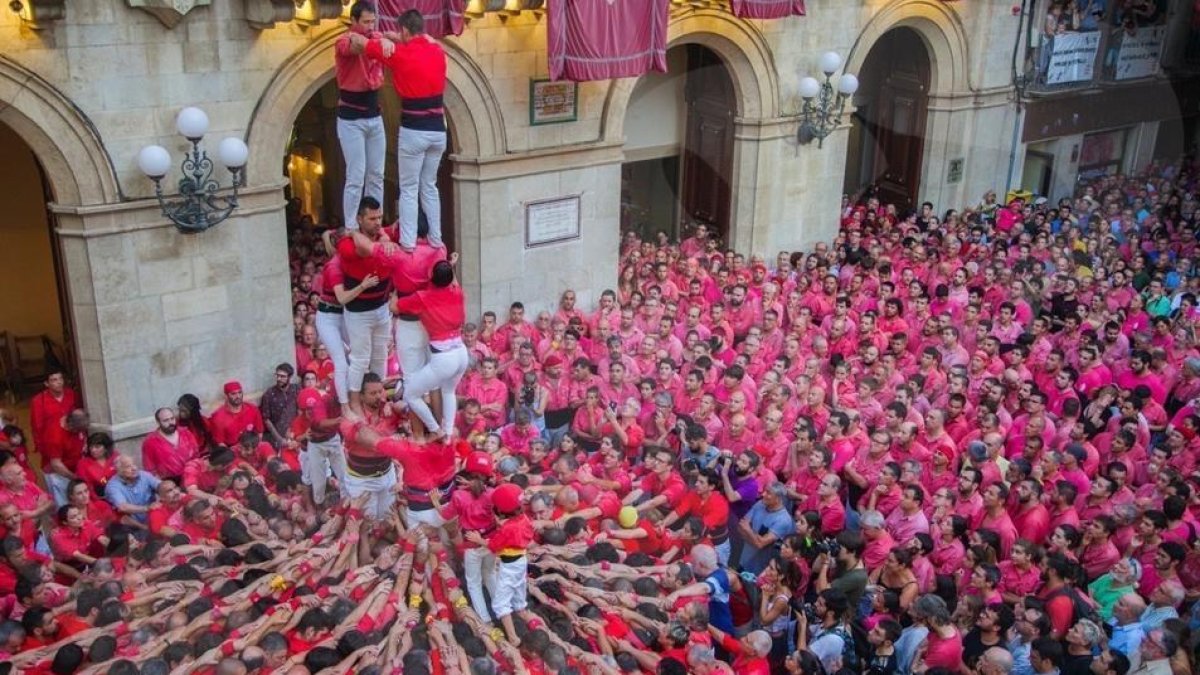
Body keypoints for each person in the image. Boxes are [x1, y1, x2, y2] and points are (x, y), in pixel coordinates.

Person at [365, 9, 449, 251]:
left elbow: (365, 45)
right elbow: (428, 42)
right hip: (438, 131)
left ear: (403, 30)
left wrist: (381, 37)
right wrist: (396, 38)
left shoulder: (399, 54)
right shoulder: (438, 51)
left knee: (409, 188)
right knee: (429, 186)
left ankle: (408, 242)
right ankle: (436, 238)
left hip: (414, 130)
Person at [394, 257, 468, 440]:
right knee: (449, 391)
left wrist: (396, 289)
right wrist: (450, 267)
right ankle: (448, 434)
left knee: (411, 394)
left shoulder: (423, 297)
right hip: (461, 352)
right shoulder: (457, 292)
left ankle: (436, 429)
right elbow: (453, 282)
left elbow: (394, 307)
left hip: (444, 358)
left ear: (430, 277)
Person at [334, 1, 386, 232]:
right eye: (365, 22)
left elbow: (382, 41)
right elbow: (354, 46)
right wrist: (376, 42)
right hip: (351, 120)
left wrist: (383, 39)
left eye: (372, 21)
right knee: (356, 175)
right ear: (353, 21)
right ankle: (351, 225)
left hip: (374, 116)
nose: (370, 26)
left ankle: (375, 219)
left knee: (377, 174)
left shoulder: (376, 36)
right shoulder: (344, 40)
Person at [466, 482, 532, 645]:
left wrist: (478, 539)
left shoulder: (508, 528)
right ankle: (526, 619)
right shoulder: (523, 518)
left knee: (500, 604)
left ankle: (513, 638)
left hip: (509, 566)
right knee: (519, 598)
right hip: (521, 561)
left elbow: (494, 546)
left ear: (501, 511)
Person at [141, 407, 199, 484]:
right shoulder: (150, 442)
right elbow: (150, 469)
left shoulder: (185, 433)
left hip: (191, 478)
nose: (171, 423)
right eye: (166, 420)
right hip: (169, 483)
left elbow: (196, 455)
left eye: (172, 418)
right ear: (158, 422)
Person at [208, 381, 264, 448]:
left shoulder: (253, 409)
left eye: (240, 392)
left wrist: (255, 448)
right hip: (232, 449)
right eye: (233, 394)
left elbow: (259, 432)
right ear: (226, 396)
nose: (238, 396)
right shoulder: (218, 417)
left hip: (252, 446)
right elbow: (220, 443)